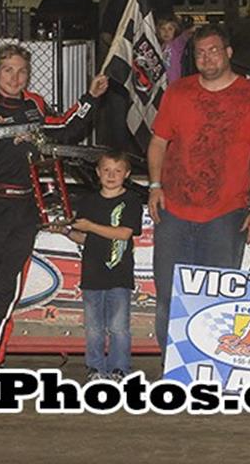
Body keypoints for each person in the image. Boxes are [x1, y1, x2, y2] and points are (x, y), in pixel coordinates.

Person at [0, 44, 109, 381]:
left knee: (8, 290)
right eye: (8, 71)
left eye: (21, 71)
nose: (15, 78)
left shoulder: (35, 105)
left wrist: (89, 98)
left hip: (24, 212)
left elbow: (62, 128)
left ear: (27, 75)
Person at [147, 24, 250, 350]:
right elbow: (158, 142)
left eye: (213, 50)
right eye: (200, 52)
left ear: (228, 53)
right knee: (169, 298)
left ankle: (210, 368)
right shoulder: (178, 92)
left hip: (225, 215)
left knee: (217, 300)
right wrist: (155, 185)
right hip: (174, 212)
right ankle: (172, 370)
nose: (206, 58)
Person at [53, 150, 142, 382]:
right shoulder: (90, 201)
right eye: (106, 170)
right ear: (97, 172)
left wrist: (90, 226)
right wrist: (65, 230)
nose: (111, 175)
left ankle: (120, 369)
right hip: (92, 274)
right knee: (93, 328)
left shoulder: (131, 201)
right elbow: (85, 238)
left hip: (119, 275)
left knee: (118, 328)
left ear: (127, 174)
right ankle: (95, 369)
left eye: (117, 171)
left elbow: (123, 234)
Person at [99, 0, 174, 150]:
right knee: (119, 117)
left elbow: (169, 33)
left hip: (149, 72)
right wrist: (123, 51)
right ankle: (121, 158)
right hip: (124, 69)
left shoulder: (162, 1)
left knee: (153, 116)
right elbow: (106, 33)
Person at [157, 15, 194, 84]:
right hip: (162, 83)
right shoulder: (159, 46)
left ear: (176, 30)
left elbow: (185, 35)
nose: (166, 32)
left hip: (174, 82)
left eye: (170, 29)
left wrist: (188, 26)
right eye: (163, 29)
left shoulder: (176, 44)